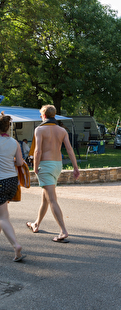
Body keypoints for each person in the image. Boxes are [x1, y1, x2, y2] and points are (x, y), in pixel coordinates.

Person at [26, 105, 79, 243]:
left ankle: (63, 231)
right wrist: (75, 167)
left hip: (45, 166)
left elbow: (37, 151)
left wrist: (35, 167)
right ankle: (36, 224)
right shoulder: (61, 130)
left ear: (43, 115)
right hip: (57, 165)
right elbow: (69, 149)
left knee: (52, 199)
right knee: (46, 198)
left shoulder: (39, 129)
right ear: (54, 115)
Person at [0, 111, 25, 261]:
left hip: (0, 181)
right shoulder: (14, 142)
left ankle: (16, 245)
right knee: (3, 214)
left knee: (3, 217)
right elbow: (20, 163)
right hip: (11, 181)